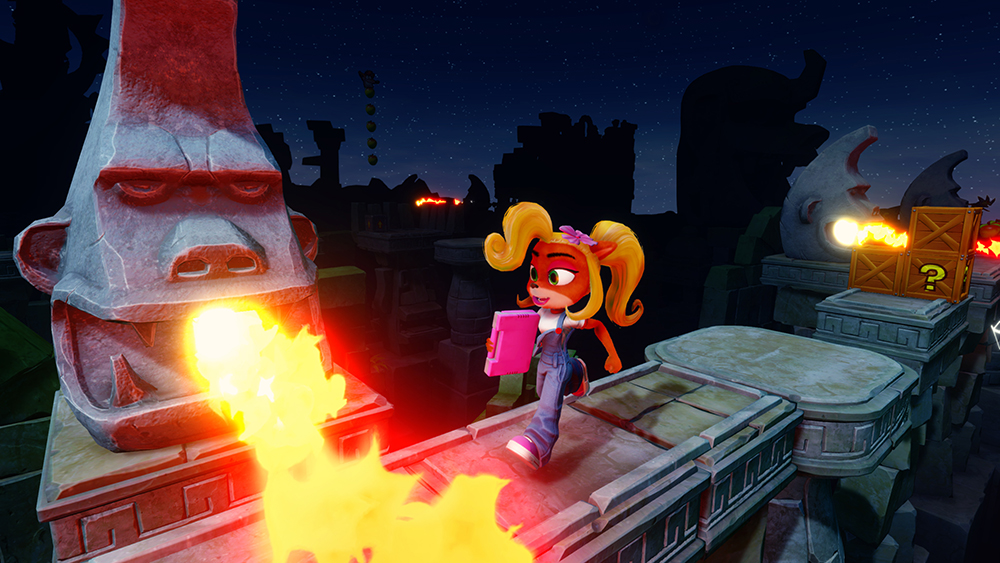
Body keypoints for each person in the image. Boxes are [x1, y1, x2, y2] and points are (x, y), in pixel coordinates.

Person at [484, 202, 644, 469]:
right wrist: (498, 346)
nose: (538, 285)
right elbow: (523, 338)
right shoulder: (539, 312)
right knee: (543, 392)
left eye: (556, 276)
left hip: (557, 364)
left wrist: (613, 355)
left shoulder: (569, 317)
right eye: (534, 273)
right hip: (544, 363)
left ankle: (538, 445)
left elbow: (597, 326)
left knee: (549, 404)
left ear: (589, 283)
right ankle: (577, 371)